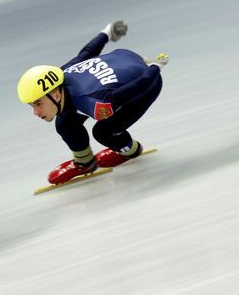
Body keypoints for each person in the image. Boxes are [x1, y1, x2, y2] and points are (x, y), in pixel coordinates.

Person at [17, 21, 168, 185]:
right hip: (121, 58)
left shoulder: (93, 103)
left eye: (38, 104)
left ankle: (131, 150)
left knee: (103, 131)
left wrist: (154, 67)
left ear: (56, 95)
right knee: (64, 122)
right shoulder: (61, 74)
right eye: (32, 106)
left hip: (145, 86)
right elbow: (85, 54)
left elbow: (132, 90)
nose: (36, 113)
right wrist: (106, 34)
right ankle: (85, 162)